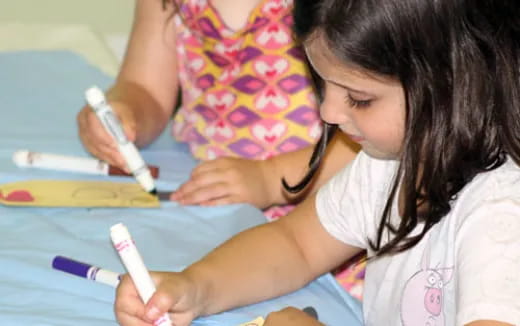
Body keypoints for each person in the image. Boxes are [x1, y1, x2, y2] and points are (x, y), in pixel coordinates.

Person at [114, 0, 520, 324]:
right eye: (321, 85)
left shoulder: (502, 214)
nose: (328, 113)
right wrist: (195, 288)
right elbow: (297, 244)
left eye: (359, 98)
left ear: (454, 80)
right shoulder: (388, 162)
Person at [77, 0, 364, 298]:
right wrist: (125, 114)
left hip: (327, 198)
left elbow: (381, 132)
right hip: (214, 199)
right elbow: (144, 87)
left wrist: (270, 177)